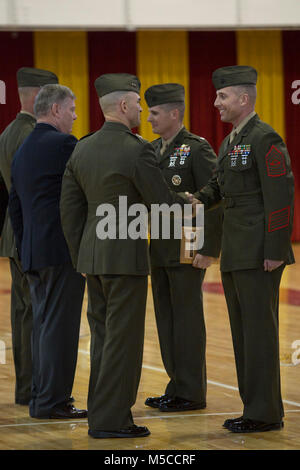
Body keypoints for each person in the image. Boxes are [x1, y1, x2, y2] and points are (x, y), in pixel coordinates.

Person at [60, 73, 190, 438]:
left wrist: (80, 257)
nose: (140, 112)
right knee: (123, 344)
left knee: (103, 340)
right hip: (125, 259)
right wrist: (189, 201)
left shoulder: (81, 148)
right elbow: (161, 202)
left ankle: (100, 415)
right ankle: (112, 421)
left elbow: (69, 211)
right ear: (122, 105)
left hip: (92, 259)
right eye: (136, 105)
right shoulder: (137, 149)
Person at [190, 65, 295, 433]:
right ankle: (254, 408)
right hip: (237, 249)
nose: (215, 102)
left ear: (243, 98)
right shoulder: (231, 140)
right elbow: (219, 188)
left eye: (222, 96)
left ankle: (264, 412)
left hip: (259, 253)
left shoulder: (265, 137)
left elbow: (280, 196)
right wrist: (194, 199)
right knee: (242, 333)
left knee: (259, 334)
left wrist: (276, 249)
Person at [8, 84, 87, 419]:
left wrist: (26, 246)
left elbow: (15, 205)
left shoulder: (23, 148)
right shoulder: (63, 144)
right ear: (55, 109)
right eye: (71, 110)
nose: (74, 116)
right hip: (60, 251)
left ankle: (42, 397)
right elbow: (81, 192)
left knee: (42, 327)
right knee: (60, 329)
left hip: (32, 251)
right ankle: (52, 402)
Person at [143, 83, 222, 412]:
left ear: (175, 113)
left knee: (186, 319)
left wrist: (209, 248)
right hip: (158, 245)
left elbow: (215, 198)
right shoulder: (151, 149)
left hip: (189, 243)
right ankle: (176, 385)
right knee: (166, 318)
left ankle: (191, 393)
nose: (149, 119)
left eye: (155, 113)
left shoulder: (196, 148)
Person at [0, 67, 59, 405]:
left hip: (14, 230)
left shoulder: (9, 131)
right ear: (38, 95)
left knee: (23, 313)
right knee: (37, 313)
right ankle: (37, 387)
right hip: (32, 232)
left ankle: (26, 388)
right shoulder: (31, 134)